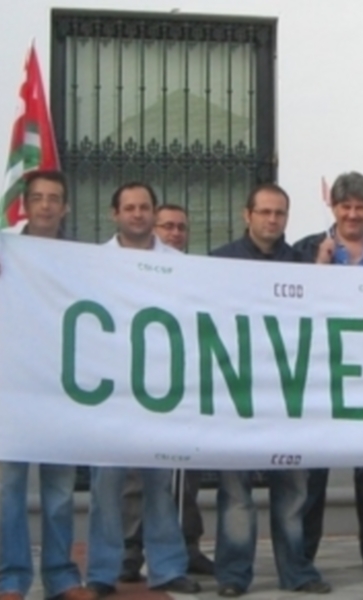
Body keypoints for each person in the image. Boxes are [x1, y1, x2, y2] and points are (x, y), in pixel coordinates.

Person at [209, 183, 331, 595]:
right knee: (235, 492)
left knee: (293, 490)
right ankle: (232, 575)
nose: (272, 220)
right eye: (264, 212)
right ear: (247, 215)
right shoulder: (219, 263)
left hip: (288, 396)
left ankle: (297, 572)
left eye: (279, 213)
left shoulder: (302, 265)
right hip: (236, 394)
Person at [86, 182, 200, 598]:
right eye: (130, 207)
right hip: (109, 389)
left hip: (161, 388)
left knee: (160, 483)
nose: (138, 214)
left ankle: (167, 568)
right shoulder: (92, 263)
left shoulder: (180, 266)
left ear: (154, 213)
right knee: (106, 484)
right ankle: (103, 571)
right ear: (114, 213)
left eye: (144, 207)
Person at [0, 171, 97, 600]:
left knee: (59, 491)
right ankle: (11, 577)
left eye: (53, 198)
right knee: (8, 489)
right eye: (37, 197)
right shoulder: (5, 253)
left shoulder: (80, 260)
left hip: (61, 389)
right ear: (24, 204)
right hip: (12, 388)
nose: (45, 205)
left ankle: (61, 575)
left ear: (66, 206)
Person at [294, 172, 363, 574]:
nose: (353, 214)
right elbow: (292, 301)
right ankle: (304, 551)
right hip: (320, 369)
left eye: (361, 207)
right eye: (345, 206)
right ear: (333, 208)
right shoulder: (306, 249)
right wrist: (319, 266)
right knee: (314, 467)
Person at [119, 202, 214, 581]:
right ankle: (129, 552)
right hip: (135, 384)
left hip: (183, 386)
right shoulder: (125, 270)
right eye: (167, 226)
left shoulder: (194, 275)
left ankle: (187, 547)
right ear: (154, 230)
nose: (175, 234)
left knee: (184, 473)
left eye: (181, 228)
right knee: (135, 473)